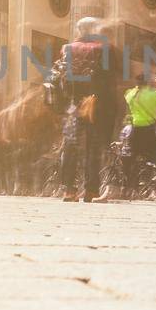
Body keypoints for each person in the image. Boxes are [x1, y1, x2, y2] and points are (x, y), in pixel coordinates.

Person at [55, 17, 114, 202]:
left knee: (70, 146)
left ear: (79, 30)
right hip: (93, 103)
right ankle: (91, 190)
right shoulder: (103, 49)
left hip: (72, 104)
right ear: (94, 30)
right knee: (92, 147)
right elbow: (106, 80)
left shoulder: (66, 48)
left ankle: (69, 190)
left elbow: (59, 74)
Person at [123, 69, 156, 169]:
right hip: (150, 130)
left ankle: (130, 181)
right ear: (147, 83)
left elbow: (127, 95)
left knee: (132, 156)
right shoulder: (152, 94)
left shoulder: (130, 95)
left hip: (136, 130)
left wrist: (136, 87)